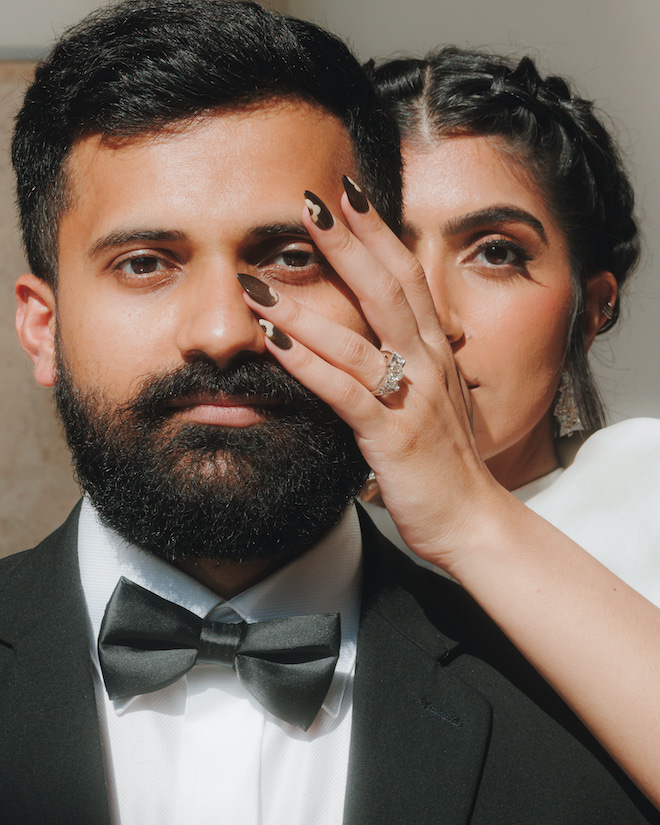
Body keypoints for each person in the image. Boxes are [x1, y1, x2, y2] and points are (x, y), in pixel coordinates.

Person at [1, 2, 657, 822]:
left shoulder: (588, 711)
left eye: (290, 256)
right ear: (43, 325)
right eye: (144, 263)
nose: (220, 330)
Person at [247, 46, 660, 807]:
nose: (427, 313)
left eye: (496, 253)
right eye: (382, 252)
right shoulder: (290, 538)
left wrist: (466, 511)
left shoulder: (643, 484)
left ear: (592, 308)